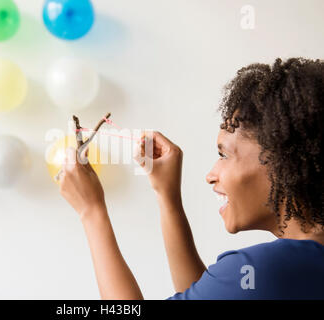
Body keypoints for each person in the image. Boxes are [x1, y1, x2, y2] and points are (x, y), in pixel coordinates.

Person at [57, 57, 324, 300]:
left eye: (224, 155)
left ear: (281, 161)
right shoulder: (302, 265)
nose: (211, 175)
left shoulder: (264, 272)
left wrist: (91, 212)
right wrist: (167, 195)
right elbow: (202, 294)